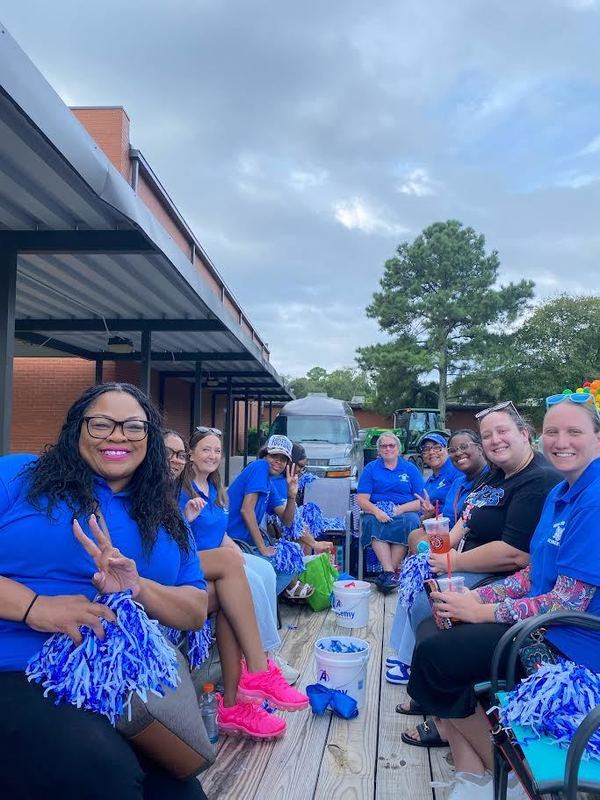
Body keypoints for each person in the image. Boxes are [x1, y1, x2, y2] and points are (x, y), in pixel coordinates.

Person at [0, 383, 209, 800]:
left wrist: (139, 588)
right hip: (17, 667)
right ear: (76, 429)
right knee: (101, 770)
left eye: (134, 426)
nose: (117, 436)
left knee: (181, 793)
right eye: (101, 424)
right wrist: (34, 607)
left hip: (126, 684)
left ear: (149, 439)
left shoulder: (167, 515)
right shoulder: (18, 476)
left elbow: (195, 609)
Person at [406, 393, 600, 800]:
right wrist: (472, 600)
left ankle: (507, 777)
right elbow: (534, 573)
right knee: (431, 627)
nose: (561, 441)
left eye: (574, 432)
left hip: (571, 647)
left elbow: (566, 603)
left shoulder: (594, 499)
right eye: (553, 431)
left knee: (438, 657)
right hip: (542, 626)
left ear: (597, 438)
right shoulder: (562, 493)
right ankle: (471, 773)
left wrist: (483, 610)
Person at [400, 401, 560, 745]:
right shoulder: (494, 474)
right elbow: (466, 518)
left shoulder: (539, 480)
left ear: (524, 434)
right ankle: (436, 698)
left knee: (427, 608)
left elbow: (514, 553)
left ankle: (447, 715)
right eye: (488, 435)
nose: (495, 441)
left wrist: (450, 563)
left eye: (502, 432)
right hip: (466, 557)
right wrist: (439, 548)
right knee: (420, 587)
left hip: (498, 572)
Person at [164, 429, 300, 689]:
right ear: (191, 454)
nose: (212, 455)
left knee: (266, 571)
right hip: (194, 560)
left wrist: (242, 554)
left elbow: (220, 532)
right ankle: (265, 657)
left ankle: (267, 652)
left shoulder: (216, 488)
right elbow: (176, 537)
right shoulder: (180, 489)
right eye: (205, 449)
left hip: (222, 552)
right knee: (250, 578)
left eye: (217, 450)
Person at [386, 429, 490, 684]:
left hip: (470, 553)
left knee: (420, 569)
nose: (457, 454)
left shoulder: (483, 480)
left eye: (460, 448)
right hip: (451, 540)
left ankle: (410, 659)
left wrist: (438, 550)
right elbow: (452, 522)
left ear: (480, 447)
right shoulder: (459, 481)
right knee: (415, 562)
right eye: (454, 450)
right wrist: (427, 520)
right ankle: (402, 650)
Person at [226, 435, 306, 596]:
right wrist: (263, 548)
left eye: (283, 459)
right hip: (231, 543)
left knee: (292, 562)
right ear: (264, 455)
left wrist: (292, 495)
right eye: (274, 456)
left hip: (246, 544)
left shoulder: (269, 482)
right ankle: (254, 604)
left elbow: (287, 521)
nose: (278, 461)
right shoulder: (259, 467)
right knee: (273, 567)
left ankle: (256, 602)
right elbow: (246, 511)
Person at [356, 432, 424, 592]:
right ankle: (391, 573)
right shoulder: (371, 469)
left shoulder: (410, 469)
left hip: (404, 510)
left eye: (391, 445)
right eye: (383, 446)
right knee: (372, 521)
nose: (388, 449)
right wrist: (377, 511)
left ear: (398, 449)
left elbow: (420, 500)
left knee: (411, 521)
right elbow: (362, 499)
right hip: (377, 509)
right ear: (378, 450)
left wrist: (399, 509)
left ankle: (388, 574)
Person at [417, 433, 461, 516]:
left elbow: (461, 506)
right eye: (426, 449)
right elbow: (422, 516)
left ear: (447, 450)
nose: (431, 452)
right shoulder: (428, 483)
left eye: (437, 448)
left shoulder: (457, 470)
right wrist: (428, 515)